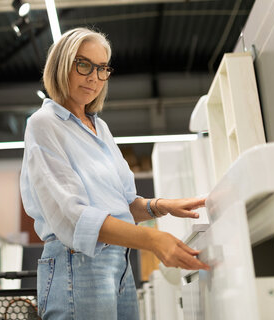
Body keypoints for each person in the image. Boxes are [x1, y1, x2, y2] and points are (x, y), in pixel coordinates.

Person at [20, 27, 209, 320]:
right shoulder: (44, 124)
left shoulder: (100, 127)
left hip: (118, 261)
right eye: (83, 64)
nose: (93, 77)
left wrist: (162, 207)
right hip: (76, 262)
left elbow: (123, 203)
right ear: (61, 64)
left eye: (102, 69)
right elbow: (75, 217)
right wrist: (154, 241)